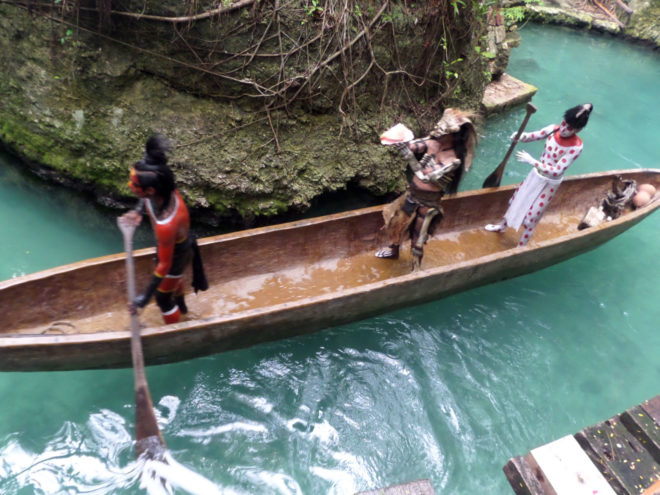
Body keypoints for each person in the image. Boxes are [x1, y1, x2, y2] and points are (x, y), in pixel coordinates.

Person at [375, 108, 478, 270]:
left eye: (442, 133)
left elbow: (425, 177)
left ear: (452, 135)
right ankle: (393, 251)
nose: (438, 135)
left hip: (428, 204)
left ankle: (416, 268)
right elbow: (412, 146)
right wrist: (399, 141)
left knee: (418, 238)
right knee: (395, 225)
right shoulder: (433, 143)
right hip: (411, 194)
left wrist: (408, 156)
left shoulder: (453, 160)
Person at [121, 135, 208, 324]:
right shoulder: (161, 188)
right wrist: (137, 211)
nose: (130, 185)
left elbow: (164, 266)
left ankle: (174, 331)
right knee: (170, 281)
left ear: (150, 190)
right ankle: (182, 307)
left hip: (177, 255)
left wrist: (144, 299)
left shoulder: (166, 224)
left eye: (134, 184)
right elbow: (144, 198)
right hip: (170, 247)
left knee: (162, 299)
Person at [485, 103, 593, 246]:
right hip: (534, 176)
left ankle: (520, 247)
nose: (565, 129)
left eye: (570, 128)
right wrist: (519, 136)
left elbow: (557, 170)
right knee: (515, 200)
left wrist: (532, 161)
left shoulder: (576, 146)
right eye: (564, 124)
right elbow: (532, 136)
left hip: (549, 183)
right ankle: (502, 226)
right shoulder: (552, 129)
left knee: (532, 217)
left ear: (578, 130)